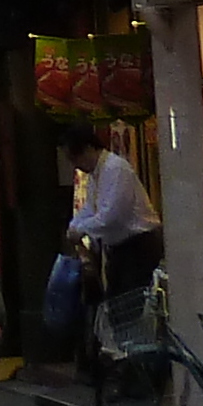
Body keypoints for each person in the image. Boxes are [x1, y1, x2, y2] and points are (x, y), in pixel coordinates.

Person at [61, 120, 163, 309]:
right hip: (119, 248)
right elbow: (91, 208)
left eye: (77, 158)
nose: (77, 165)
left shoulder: (115, 169)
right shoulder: (96, 174)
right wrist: (74, 225)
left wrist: (81, 229)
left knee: (130, 305)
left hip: (138, 245)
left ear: (90, 148)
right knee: (116, 305)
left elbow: (112, 216)